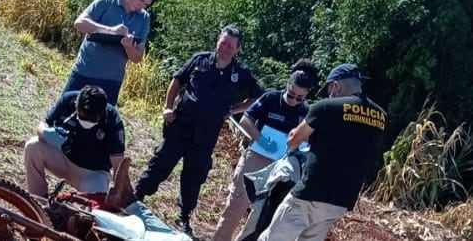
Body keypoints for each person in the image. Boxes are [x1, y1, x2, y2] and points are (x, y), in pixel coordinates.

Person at [134, 25, 263, 237]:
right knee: (160, 163)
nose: (225, 48)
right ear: (217, 41)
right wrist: (168, 106)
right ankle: (136, 196)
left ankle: (183, 216)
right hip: (181, 126)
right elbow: (177, 80)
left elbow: (257, 97)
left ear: (238, 49)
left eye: (231, 45)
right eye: (223, 42)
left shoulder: (240, 74)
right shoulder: (200, 60)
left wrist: (233, 111)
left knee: (194, 177)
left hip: (206, 136)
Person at [256, 63, 386, 241]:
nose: (329, 94)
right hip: (341, 199)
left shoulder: (326, 107)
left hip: (310, 192)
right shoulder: (380, 116)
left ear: (336, 85)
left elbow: (294, 140)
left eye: (329, 89)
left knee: (273, 237)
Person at [212, 60, 318, 241]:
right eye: (292, 94)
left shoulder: (306, 112)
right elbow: (247, 119)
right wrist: (260, 138)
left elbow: (308, 140)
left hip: (281, 167)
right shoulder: (270, 99)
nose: (294, 100)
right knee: (236, 206)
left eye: (300, 98)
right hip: (256, 158)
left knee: (261, 215)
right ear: (288, 85)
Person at [63, 0, 160, 105]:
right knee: (64, 113)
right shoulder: (106, 1)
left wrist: (129, 47)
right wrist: (110, 30)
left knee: (101, 123)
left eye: (146, 4)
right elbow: (79, 23)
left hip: (111, 81)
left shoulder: (144, 18)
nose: (141, 6)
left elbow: (137, 58)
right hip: (84, 72)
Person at [24, 85, 126, 198]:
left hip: (92, 174)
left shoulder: (112, 120)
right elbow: (42, 126)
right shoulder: (68, 99)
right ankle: (37, 200)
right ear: (76, 105)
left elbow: (119, 166)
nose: (86, 121)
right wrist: (46, 133)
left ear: (102, 112)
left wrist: (119, 193)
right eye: (82, 116)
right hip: (63, 159)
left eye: (92, 119)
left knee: (94, 208)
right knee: (33, 146)